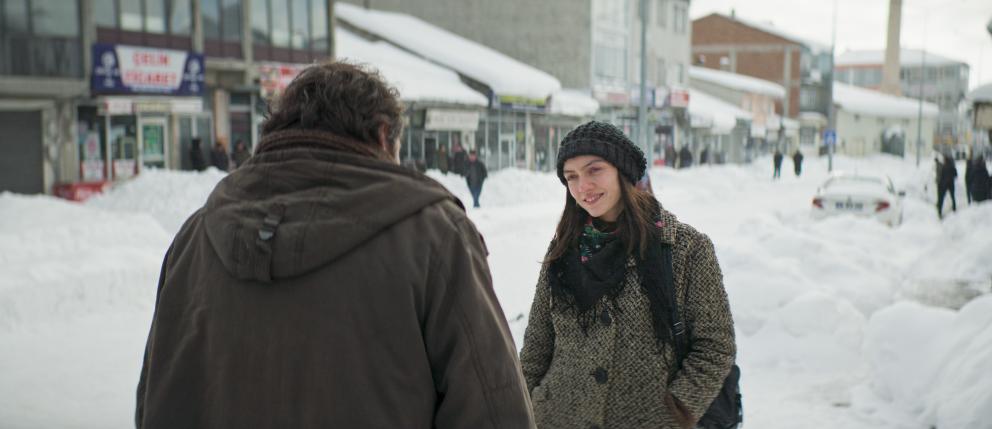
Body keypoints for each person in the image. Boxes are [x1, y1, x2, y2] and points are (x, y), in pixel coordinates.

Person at [136, 62, 535, 428]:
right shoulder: (433, 236)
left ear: (276, 131)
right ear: (383, 137)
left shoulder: (193, 239)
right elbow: (496, 412)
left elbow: (155, 400)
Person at [519, 121, 736, 429]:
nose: (582, 187)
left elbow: (715, 347)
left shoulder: (685, 249)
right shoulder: (563, 250)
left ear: (622, 171)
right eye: (572, 177)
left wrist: (675, 412)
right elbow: (537, 348)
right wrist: (525, 406)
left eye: (594, 170)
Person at [936, 152, 957, 219]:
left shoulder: (944, 167)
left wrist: (940, 182)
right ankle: (954, 208)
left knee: (941, 198)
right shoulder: (952, 166)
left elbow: (942, 176)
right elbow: (956, 175)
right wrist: (951, 178)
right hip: (951, 184)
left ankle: (939, 211)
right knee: (952, 196)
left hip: (944, 184)